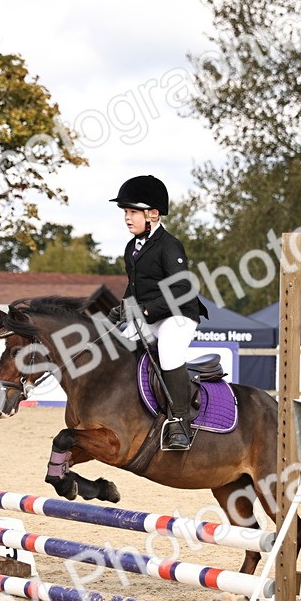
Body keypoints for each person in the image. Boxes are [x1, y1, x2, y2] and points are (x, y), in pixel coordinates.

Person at [108, 174, 207, 451]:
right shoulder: (132, 247)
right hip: (149, 315)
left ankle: (181, 423)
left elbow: (182, 289)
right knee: (117, 348)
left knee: (168, 352)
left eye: (132, 212)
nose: (127, 218)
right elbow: (135, 286)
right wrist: (121, 309)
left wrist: (144, 310)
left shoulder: (169, 245)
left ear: (152, 214)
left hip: (178, 314)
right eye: (125, 212)